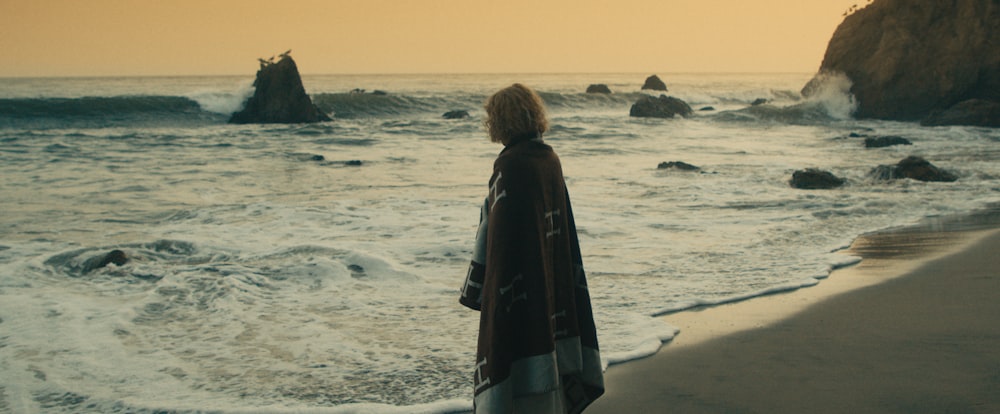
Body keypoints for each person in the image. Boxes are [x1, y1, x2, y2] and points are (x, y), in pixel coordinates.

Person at [459, 84, 604, 413]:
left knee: (517, 382)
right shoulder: (548, 159)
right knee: (545, 380)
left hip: (517, 287)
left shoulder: (510, 166)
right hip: (549, 286)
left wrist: (486, 286)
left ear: (501, 121)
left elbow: (496, 238)